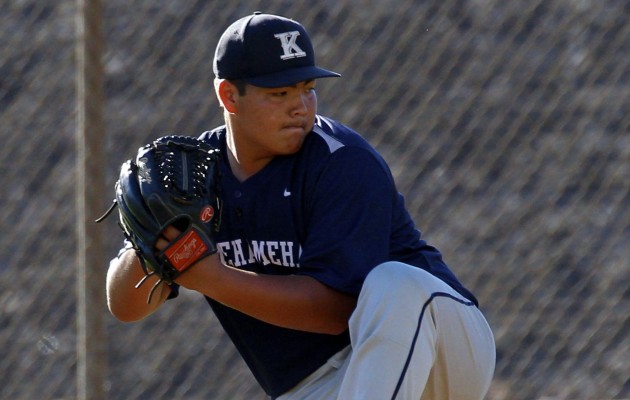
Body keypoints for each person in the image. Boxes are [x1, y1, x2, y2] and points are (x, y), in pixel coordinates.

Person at [106, 12, 496, 400]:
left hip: (442, 345)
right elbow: (125, 307)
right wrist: (152, 244)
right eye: (279, 94)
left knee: (395, 284)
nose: (301, 107)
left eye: (306, 88)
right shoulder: (195, 175)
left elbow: (333, 313)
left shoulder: (340, 160)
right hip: (316, 387)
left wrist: (207, 275)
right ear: (229, 95)